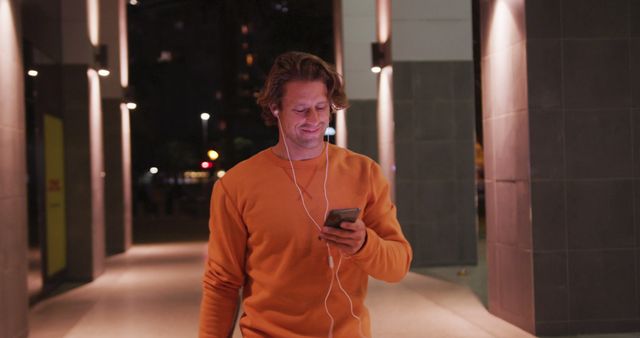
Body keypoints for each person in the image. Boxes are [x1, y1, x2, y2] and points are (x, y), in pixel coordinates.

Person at [199, 51, 412, 338]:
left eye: (321, 107)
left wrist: (364, 244)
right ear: (275, 108)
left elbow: (397, 267)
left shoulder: (364, 173)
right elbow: (222, 283)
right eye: (300, 109)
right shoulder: (237, 184)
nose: (314, 119)